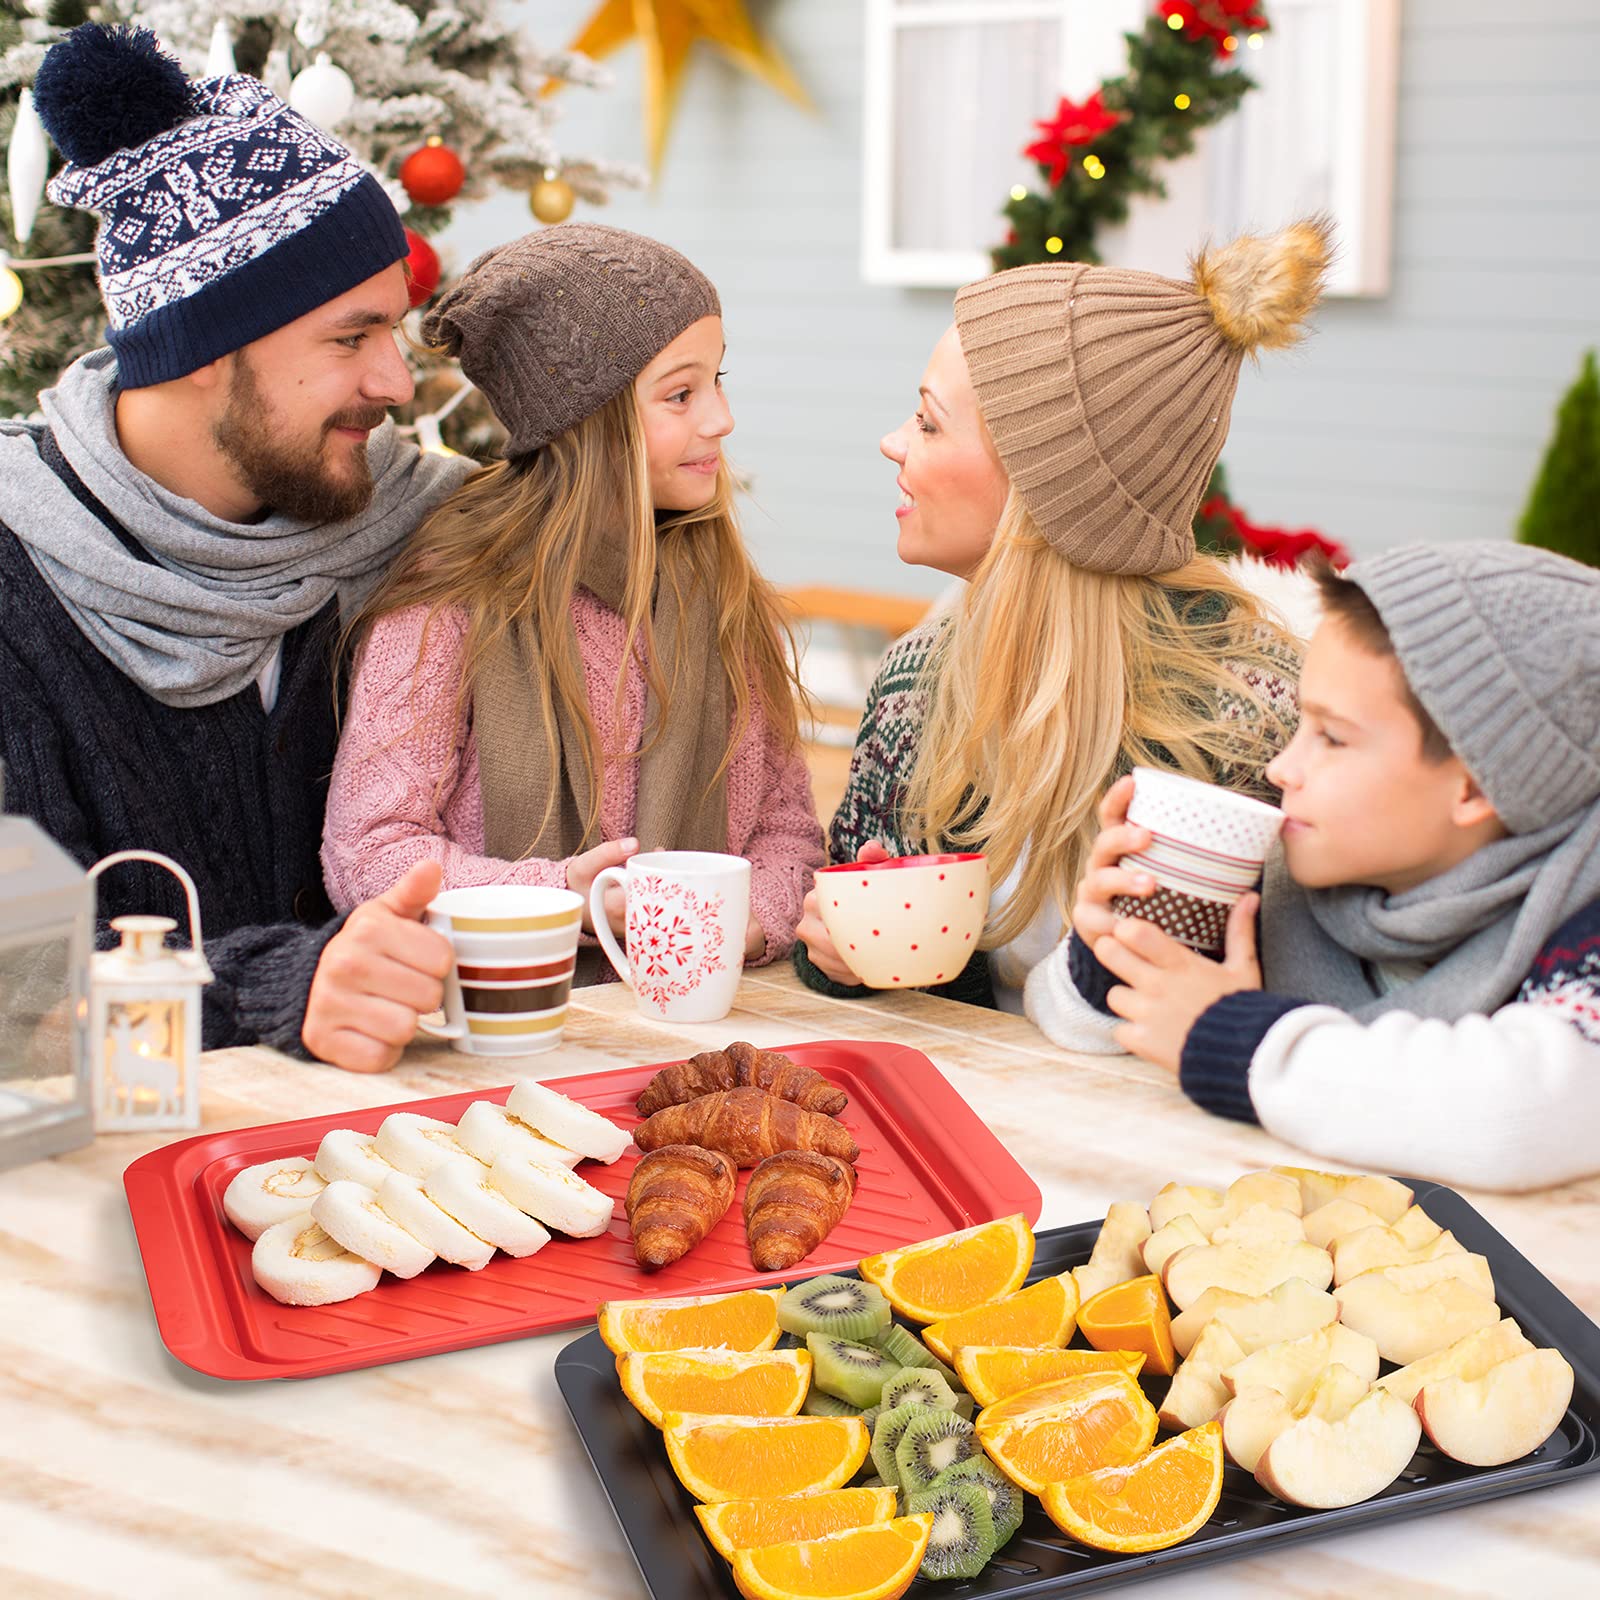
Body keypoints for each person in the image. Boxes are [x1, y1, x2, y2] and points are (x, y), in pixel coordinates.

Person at [0, 24, 476, 1071]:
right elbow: (17, 991)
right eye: (350, 338)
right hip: (132, 1164)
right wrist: (277, 988)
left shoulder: (409, 525)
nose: (397, 384)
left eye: (394, 331)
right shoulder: (14, 582)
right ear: (197, 350)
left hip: (414, 1141)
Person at [792, 221, 1325, 1020]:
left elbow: (1274, 1012)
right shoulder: (917, 684)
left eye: (929, 422)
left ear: (1048, 489)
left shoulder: (1250, 724)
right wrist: (851, 954)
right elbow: (862, 956)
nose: (893, 443)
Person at [321, 225, 823, 970]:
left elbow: (789, 833)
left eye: (718, 380)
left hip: (707, 1014)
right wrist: (564, 898)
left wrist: (742, 929)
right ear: (586, 421)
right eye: (680, 394)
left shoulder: (719, 595)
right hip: (510, 1018)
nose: (721, 418)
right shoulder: (451, 600)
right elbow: (368, 852)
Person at [1062, 544, 1600, 1192]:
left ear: (1476, 786)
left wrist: (1233, 1040)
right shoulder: (1279, 877)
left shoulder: (1584, 914)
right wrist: (1114, 949)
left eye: (1333, 737)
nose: (1281, 769)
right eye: (1300, 725)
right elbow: (1078, 1035)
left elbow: (1522, 1116)